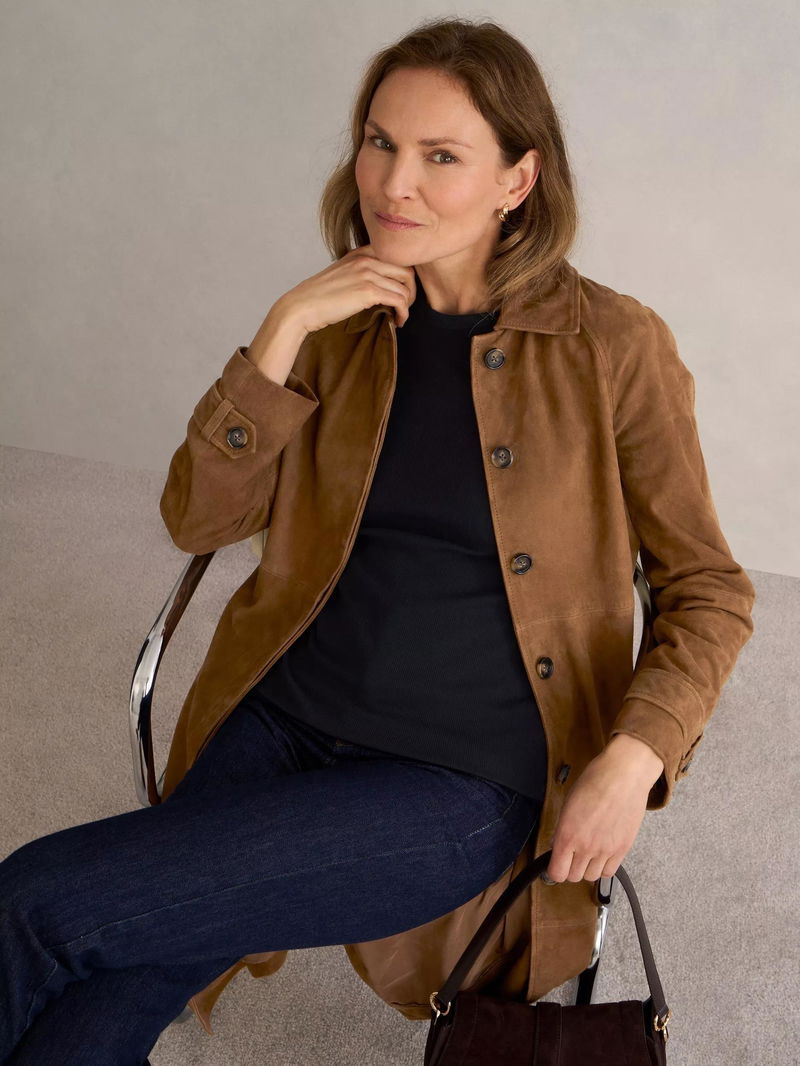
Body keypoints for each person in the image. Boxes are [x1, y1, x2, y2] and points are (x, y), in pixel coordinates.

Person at [0, 15, 755, 1065]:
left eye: (441, 156)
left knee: (36, 902)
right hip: (281, 716)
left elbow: (709, 588)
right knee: (106, 978)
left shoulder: (613, 345)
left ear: (518, 179)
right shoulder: (339, 326)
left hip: (457, 778)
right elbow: (196, 520)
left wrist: (633, 759)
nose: (393, 183)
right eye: (378, 141)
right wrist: (279, 334)